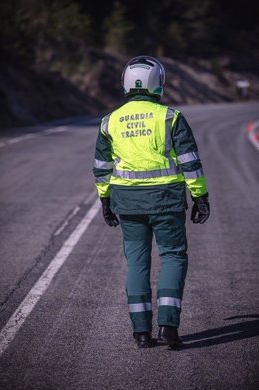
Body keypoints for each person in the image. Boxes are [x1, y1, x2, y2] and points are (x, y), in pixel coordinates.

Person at [93, 55, 210, 349]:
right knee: (172, 256)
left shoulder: (110, 121)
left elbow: (102, 167)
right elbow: (190, 162)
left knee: (136, 263)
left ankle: (141, 333)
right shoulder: (170, 117)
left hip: (127, 202)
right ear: (159, 83)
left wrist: (105, 201)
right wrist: (200, 195)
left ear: (125, 83)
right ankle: (168, 328)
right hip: (167, 201)